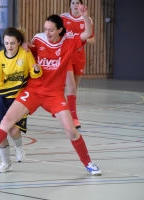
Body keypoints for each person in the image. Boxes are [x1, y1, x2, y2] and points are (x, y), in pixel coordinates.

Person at [0, 5, 102, 176]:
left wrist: (85, 16)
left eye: (51, 30)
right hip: (33, 91)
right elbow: (24, 52)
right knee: (6, 122)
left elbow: (87, 34)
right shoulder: (39, 40)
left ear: (60, 30)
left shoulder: (69, 43)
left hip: (54, 94)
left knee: (71, 131)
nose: (47, 32)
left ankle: (88, 163)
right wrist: (24, 46)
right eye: (45, 29)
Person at [0, 27, 42, 173]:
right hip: (3, 98)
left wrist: (36, 70)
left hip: (20, 98)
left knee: (14, 131)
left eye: (12, 43)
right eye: (6, 43)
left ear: (19, 43)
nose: (9, 46)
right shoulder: (0, 57)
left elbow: (34, 74)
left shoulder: (25, 54)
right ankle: (6, 163)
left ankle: (19, 147)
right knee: (1, 131)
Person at [60, 0, 95, 129]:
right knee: (71, 88)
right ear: (70, 5)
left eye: (77, 3)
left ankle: (63, 110)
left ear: (81, 5)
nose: (75, 5)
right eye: (73, 3)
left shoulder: (87, 19)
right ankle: (73, 118)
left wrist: (81, 38)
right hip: (67, 57)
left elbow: (92, 39)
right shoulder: (62, 18)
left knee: (74, 90)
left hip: (79, 57)